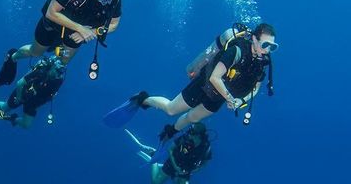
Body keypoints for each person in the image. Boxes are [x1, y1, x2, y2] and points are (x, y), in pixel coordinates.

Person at [105, 23, 277, 139]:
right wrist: (231, 98)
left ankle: (171, 131)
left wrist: (240, 100)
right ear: (254, 39)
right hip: (205, 86)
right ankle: (142, 98)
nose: (268, 50)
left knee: (193, 119)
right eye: (265, 44)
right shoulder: (237, 51)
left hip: (219, 98)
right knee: (171, 110)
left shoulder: (263, 62)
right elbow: (214, 77)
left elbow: (256, 88)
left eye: (272, 47)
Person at [0, 54, 66, 135]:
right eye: (56, 71)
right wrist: (19, 97)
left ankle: (11, 118)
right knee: (6, 107)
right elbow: (20, 83)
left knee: (26, 124)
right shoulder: (41, 72)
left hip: (34, 101)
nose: (58, 74)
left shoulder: (59, 80)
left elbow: (50, 95)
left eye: (60, 72)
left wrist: (38, 103)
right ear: (52, 67)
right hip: (23, 92)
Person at [126, 123, 212, 184]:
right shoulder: (184, 138)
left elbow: (204, 162)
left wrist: (192, 171)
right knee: (155, 182)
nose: (189, 134)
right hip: (173, 162)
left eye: (192, 132)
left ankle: (175, 176)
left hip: (186, 170)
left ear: (199, 135)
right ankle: (153, 158)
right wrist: (175, 166)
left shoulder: (205, 147)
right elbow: (170, 149)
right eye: (190, 130)